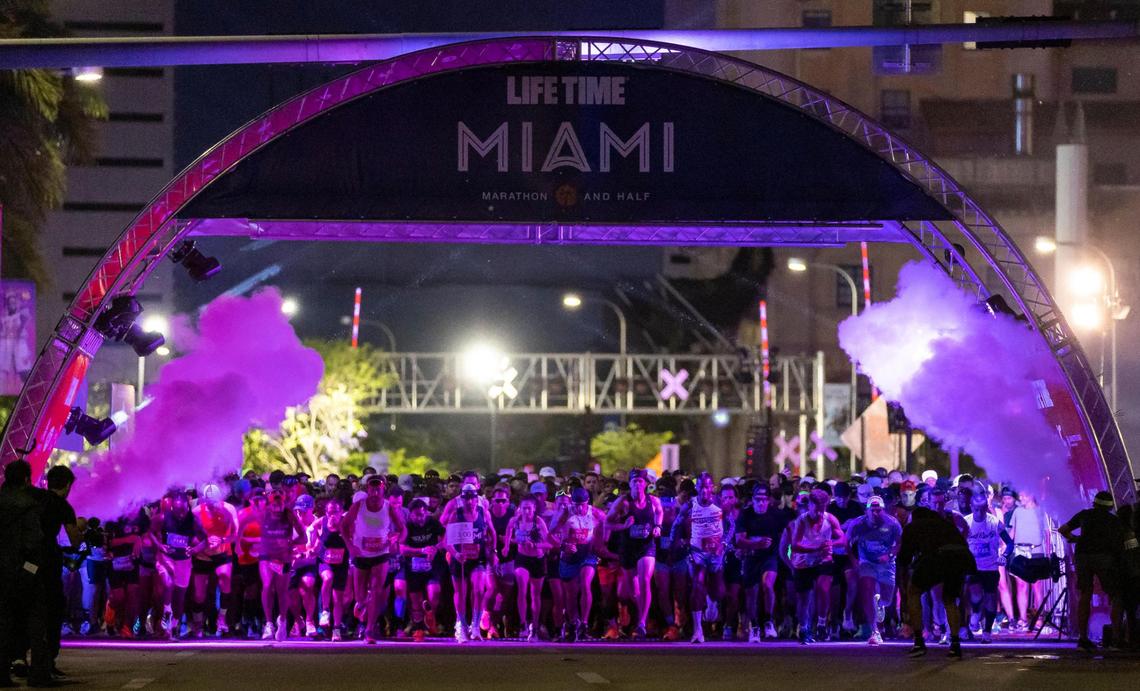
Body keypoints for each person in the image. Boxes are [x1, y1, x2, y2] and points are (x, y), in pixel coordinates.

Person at [898, 487, 975, 658]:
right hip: (961, 558)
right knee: (950, 600)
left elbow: (904, 558)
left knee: (914, 592)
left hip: (938, 557)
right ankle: (955, 645)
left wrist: (903, 583)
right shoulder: (945, 523)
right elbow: (963, 543)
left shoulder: (913, 526)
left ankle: (919, 642)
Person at [0, 460, 54, 687]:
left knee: (4, 622)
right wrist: (31, 570)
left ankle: (2, 673)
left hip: (2, 571)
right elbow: (33, 543)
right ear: (25, 479)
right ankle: (39, 673)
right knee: (36, 621)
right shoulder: (29, 506)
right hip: (23, 570)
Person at [1059, 491, 1126, 651]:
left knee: (1085, 595)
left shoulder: (1084, 515)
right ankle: (1116, 640)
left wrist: (1075, 539)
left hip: (1083, 556)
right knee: (1115, 595)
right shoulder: (1113, 520)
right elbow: (1118, 542)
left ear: (1094, 503)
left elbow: (1063, 529)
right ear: (1110, 507)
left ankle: (1083, 639)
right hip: (1104, 557)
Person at [343, 476, 405, 643]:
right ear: (368, 489)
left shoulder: (388, 506)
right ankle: (362, 605)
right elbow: (343, 526)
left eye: (379, 489)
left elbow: (402, 529)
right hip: (361, 554)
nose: (376, 492)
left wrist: (396, 540)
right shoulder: (359, 505)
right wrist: (350, 546)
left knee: (377, 591)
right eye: (373, 488)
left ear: (383, 490)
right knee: (360, 596)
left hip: (381, 553)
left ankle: (369, 629)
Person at [605, 469, 662, 639]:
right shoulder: (623, 502)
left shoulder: (653, 501)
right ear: (630, 484)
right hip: (628, 548)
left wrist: (658, 526)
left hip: (646, 546)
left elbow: (660, 512)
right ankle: (642, 615)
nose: (637, 484)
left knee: (645, 580)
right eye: (634, 481)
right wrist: (623, 526)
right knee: (633, 591)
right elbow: (607, 523)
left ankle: (642, 623)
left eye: (640, 481)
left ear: (646, 484)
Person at [551, 487, 610, 642]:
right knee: (571, 594)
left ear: (587, 502)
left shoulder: (596, 513)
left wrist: (600, 542)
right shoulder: (566, 513)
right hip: (569, 555)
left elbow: (607, 524)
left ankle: (584, 623)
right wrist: (563, 545)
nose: (578, 509)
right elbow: (551, 534)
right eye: (575, 505)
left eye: (581, 505)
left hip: (587, 553)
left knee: (585, 583)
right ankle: (572, 624)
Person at [672, 472, 725, 644]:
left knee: (718, 591)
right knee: (697, 585)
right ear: (697, 488)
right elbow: (676, 525)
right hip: (697, 552)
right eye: (701, 487)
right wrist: (676, 541)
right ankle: (697, 629)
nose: (704, 491)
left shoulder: (719, 503)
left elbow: (732, 524)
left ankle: (712, 600)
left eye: (707, 487)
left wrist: (724, 543)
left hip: (715, 553)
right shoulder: (689, 505)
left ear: (712, 488)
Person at [789, 488, 845, 644]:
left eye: (822, 508)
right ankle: (803, 628)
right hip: (804, 560)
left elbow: (843, 539)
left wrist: (831, 544)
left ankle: (821, 623)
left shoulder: (830, 519)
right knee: (804, 598)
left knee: (823, 588)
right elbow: (795, 545)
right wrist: (815, 548)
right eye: (816, 509)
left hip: (823, 559)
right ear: (809, 505)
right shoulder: (802, 521)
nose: (819, 513)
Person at [444, 483, 497, 643]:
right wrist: (456, 554)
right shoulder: (456, 515)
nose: (469, 502)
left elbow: (492, 533)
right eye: (466, 498)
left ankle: (475, 626)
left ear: (476, 499)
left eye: (472, 498)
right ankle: (461, 625)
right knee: (461, 593)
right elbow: (447, 541)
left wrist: (493, 552)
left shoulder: (483, 512)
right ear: (462, 499)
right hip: (460, 558)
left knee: (479, 590)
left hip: (478, 557)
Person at [846, 496, 902, 645]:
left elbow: (899, 543)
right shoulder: (857, 524)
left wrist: (889, 555)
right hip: (867, 562)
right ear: (867, 510)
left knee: (887, 599)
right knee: (867, 590)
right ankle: (874, 631)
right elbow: (847, 542)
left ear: (883, 510)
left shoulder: (892, 523)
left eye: (879, 510)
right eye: (873, 510)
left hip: (887, 564)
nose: (876, 513)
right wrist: (853, 560)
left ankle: (881, 605)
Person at [736, 483, 785, 642]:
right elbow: (739, 540)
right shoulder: (745, 514)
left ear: (769, 500)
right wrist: (756, 544)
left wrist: (786, 553)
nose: (761, 502)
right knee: (751, 593)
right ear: (753, 499)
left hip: (770, 557)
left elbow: (786, 535)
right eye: (758, 499)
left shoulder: (776, 515)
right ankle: (755, 626)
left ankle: (769, 621)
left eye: (764, 499)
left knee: (767, 585)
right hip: (751, 557)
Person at [189, 483, 238, 637]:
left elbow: (235, 534)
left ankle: (222, 618)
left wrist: (222, 540)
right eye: (209, 502)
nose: (212, 506)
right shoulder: (196, 512)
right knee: (199, 594)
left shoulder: (229, 509)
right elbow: (191, 535)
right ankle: (198, 624)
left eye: (214, 502)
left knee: (225, 578)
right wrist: (202, 544)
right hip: (203, 554)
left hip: (222, 552)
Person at [964, 491, 1013, 644]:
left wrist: (1004, 556)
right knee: (976, 596)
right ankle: (976, 613)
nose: (979, 513)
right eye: (976, 509)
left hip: (991, 567)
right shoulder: (965, 522)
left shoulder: (994, 523)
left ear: (987, 507)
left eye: (982, 509)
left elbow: (1009, 543)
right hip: (972, 566)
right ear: (971, 507)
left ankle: (987, 632)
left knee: (991, 598)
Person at [503, 493, 552, 642]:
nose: (526, 512)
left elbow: (549, 544)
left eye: (529, 508)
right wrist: (506, 546)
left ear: (534, 508)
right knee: (522, 588)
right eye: (524, 508)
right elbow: (508, 531)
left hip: (537, 559)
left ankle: (535, 625)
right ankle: (523, 624)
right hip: (522, 558)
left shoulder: (538, 522)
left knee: (535, 594)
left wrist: (536, 545)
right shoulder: (515, 520)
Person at [398, 498, 445, 642]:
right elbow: (402, 549)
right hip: (413, 568)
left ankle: (429, 618)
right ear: (411, 514)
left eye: (424, 514)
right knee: (416, 601)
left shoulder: (433, 523)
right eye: (418, 515)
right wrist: (421, 551)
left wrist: (436, 548)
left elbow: (446, 539)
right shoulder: (407, 527)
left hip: (432, 566)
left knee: (434, 592)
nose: (421, 518)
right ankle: (418, 629)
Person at [315, 497, 351, 641]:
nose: (332, 515)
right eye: (329, 512)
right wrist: (313, 543)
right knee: (327, 578)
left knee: (338, 598)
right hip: (325, 561)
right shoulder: (322, 521)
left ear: (341, 512)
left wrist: (341, 529)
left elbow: (351, 543)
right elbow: (311, 529)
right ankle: (325, 610)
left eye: (335, 512)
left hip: (341, 564)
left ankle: (336, 628)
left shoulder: (347, 523)